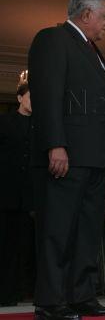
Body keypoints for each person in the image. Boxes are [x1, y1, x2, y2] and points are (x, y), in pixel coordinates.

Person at [28, 0, 105, 320]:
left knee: (87, 232)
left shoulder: (93, 51)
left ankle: (81, 296)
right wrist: (55, 144)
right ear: (86, 14)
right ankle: (50, 302)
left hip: (95, 160)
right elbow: (48, 94)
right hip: (65, 156)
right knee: (57, 230)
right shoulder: (52, 39)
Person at [0, 75, 34, 307]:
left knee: (28, 246)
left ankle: (25, 290)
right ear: (20, 97)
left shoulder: (42, 125)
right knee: (5, 245)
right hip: (6, 193)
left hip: (31, 197)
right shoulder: (4, 121)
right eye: (31, 96)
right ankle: (5, 292)